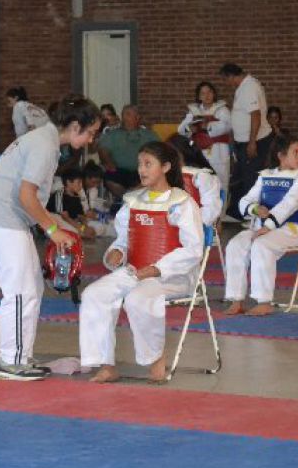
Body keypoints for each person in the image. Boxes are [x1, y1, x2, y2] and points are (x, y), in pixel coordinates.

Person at [0, 95, 101, 381]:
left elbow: (32, 200)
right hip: (0, 219)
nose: (91, 140)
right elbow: (26, 195)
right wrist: (53, 230)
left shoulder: (47, 141)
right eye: (90, 133)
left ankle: (20, 355)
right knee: (19, 290)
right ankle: (10, 362)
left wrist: (55, 224)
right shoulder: (44, 144)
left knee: (32, 286)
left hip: (8, 218)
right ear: (76, 126)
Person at [79, 141, 204, 384]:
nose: (141, 170)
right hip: (135, 271)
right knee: (94, 294)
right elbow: (124, 240)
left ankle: (156, 359)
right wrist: (116, 252)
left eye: (148, 164)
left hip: (172, 276)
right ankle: (106, 364)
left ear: (166, 167)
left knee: (138, 297)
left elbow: (193, 249)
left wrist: (157, 268)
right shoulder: (132, 202)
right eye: (140, 164)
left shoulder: (182, 203)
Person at [223, 134, 298, 316]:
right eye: (295, 152)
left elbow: (289, 204)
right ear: (281, 155)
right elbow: (245, 200)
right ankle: (236, 299)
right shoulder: (265, 176)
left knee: (261, 245)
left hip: (291, 229)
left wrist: (268, 225)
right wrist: (255, 208)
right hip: (262, 228)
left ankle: (264, 301)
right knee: (235, 244)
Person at [219, 63, 274, 220]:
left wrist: (252, 142)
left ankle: (252, 215)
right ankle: (236, 212)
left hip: (255, 141)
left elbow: (255, 115)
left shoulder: (249, 87)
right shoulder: (244, 86)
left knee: (250, 178)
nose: (226, 84)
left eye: (225, 80)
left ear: (231, 76)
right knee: (239, 176)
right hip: (243, 141)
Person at [177, 81, 232, 199]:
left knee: (221, 183)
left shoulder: (222, 110)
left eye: (209, 92)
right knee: (200, 183)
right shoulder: (194, 112)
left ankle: (220, 215)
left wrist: (208, 125)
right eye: (203, 93)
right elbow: (181, 129)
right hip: (199, 152)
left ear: (214, 94)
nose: (206, 96)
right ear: (199, 96)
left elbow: (228, 126)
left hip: (218, 152)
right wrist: (190, 128)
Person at [97, 104, 160, 198]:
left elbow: (159, 151)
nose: (124, 117)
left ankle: (130, 199)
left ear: (138, 117)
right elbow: (102, 150)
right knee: (109, 177)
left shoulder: (149, 135)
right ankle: (126, 199)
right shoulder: (113, 135)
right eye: (123, 114)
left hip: (142, 171)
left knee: (153, 176)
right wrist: (109, 163)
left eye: (128, 114)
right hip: (118, 170)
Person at [168, 135, 223, 227]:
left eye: (169, 154)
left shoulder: (202, 177)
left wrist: (183, 219)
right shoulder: (167, 175)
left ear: (181, 154)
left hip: (195, 229)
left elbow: (210, 212)